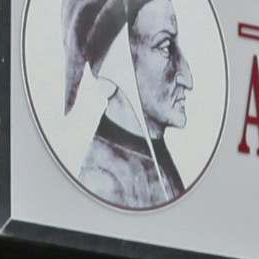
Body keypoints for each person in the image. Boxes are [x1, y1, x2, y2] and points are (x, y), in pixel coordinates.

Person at [60, 0, 199, 211]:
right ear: (118, 64)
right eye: (165, 47)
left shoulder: (158, 161)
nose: (187, 79)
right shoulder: (102, 185)